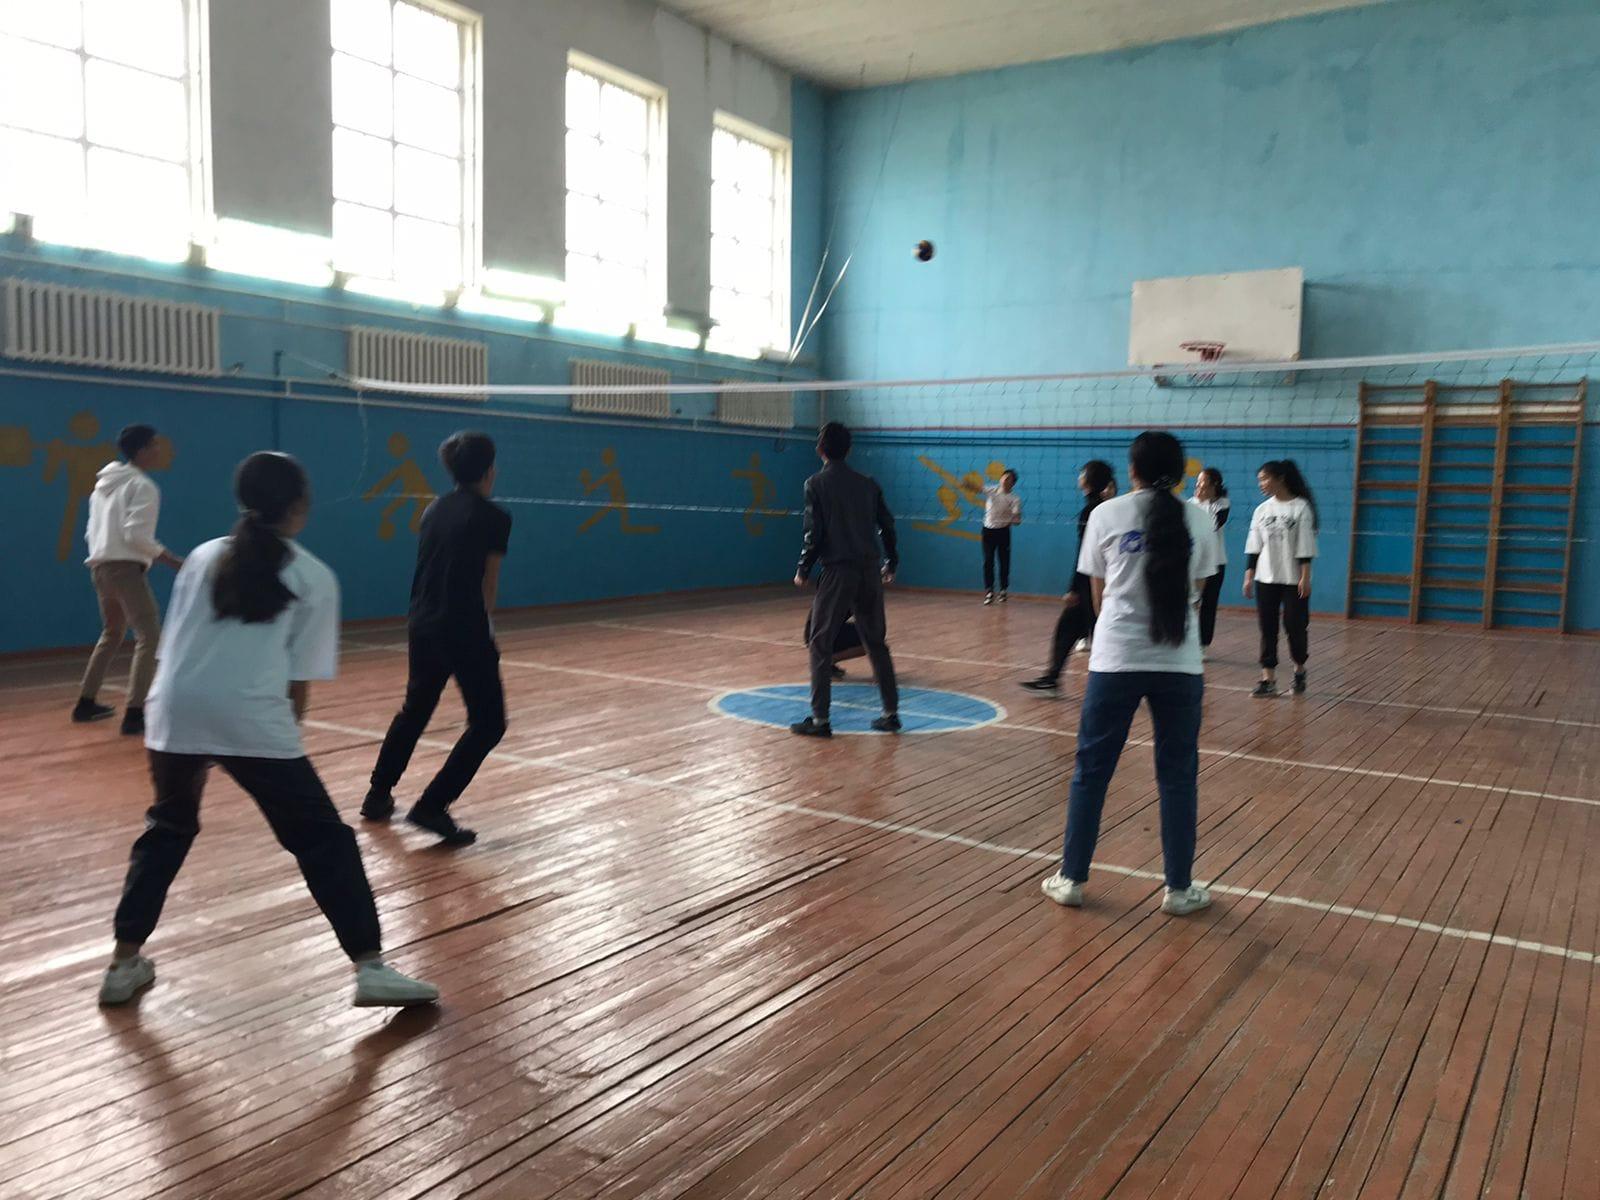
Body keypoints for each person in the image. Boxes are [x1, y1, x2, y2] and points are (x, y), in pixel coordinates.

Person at [99, 452, 437, 1008]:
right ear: (300, 505)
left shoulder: (203, 556)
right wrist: (282, 746)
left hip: (173, 711)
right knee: (323, 840)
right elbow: (297, 686)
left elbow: (175, 643)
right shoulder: (313, 576)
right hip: (250, 717)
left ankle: (121, 964)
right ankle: (370, 968)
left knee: (168, 828)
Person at [1039, 431, 1215, 917]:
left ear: (1132, 470)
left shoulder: (1105, 514)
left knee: (1091, 771)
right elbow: (1198, 591)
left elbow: (1098, 598)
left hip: (1115, 659)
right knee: (1178, 775)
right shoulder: (1199, 519)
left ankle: (1071, 878)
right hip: (1180, 663)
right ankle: (1178, 890)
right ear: (1178, 472)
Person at [364, 432, 510, 845]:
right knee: (488, 724)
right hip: (463, 628)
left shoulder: (433, 510)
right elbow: (487, 584)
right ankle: (432, 805)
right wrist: (487, 632)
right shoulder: (495, 517)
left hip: (423, 623)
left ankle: (377, 794)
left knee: (415, 709)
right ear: (489, 470)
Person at [73, 424, 184, 736]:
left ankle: (85, 703)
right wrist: (173, 560)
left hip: (100, 567)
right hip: (124, 568)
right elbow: (136, 535)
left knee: (112, 633)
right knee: (150, 636)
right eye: (155, 445)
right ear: (142, 450)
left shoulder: (102, 487)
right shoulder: (143, 486)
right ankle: (135, 714)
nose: (159, 450)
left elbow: (91, 532)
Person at [792, 422, 900, 737]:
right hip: (869, 570)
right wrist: (892, 561)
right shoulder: (868, 484)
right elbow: (887, 525)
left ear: (819, 450)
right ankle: (891, 714)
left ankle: (820, 720)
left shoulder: (815, 483)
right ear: (849, 450)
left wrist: (803, 568)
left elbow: (814, 532)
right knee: (876, 642)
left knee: (819, 642)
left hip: (839, 571)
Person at [1020, 460, 1115, 693]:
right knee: (1070, 627)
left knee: (1098, 632)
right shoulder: (1102, 508)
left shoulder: (1091, 511)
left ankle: (1115, 683)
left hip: (1091, 582)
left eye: (1082, 473)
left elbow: (1085, 553)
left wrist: (1074, 588)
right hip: (1097, 579)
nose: (1079, 476)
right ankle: (1052, 677)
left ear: (1088, 480)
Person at [1243, 459, 1318, 697]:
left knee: (1295, 626)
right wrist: (1249, 575)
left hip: (1293, 578)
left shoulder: (1301, 508)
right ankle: (1268, 679)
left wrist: (1305, 577)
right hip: (1265, 577)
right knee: (1267, 628)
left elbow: (1305, 546)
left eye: (1265, 479)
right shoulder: (1262, 510)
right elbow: (1254, 546)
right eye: (1259, 480)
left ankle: (1299, 669)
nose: (1261, 484)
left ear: (1280, 479)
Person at [1189, 467, 1231, 651]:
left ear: (1214, 484)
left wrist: (1204, 502)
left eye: (1203, 481)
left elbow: (1212, 525)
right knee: (1191, 601)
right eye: (1197, 481)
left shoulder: (1222, 504)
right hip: (1194, 562)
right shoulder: (1190, 504)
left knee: (1209, 603)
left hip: (1215, 562)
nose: (1198, 485)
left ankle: (1203, 644)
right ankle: (1187, 641)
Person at [980, 469, 1021, 604]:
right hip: (988, 531)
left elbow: (1017, 520)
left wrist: (1016, 517)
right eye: (1004, 477)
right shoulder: (992, 490)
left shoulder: (1014, 498)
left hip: (1003, 532)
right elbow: (978, 488)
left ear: (1013, 483)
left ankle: (1003, 590)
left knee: (1004, 562)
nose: (1005, 480)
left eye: (1009, 478)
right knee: (988, 561)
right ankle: (989, 591)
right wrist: (967, 484)